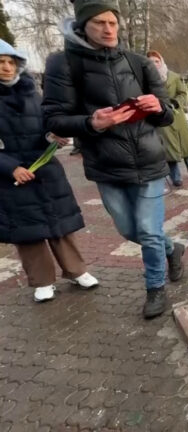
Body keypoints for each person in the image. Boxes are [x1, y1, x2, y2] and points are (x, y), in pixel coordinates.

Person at [42, 1, 184, 319]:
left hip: (148, 160)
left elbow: (167, 114)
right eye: (99, 22)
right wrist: (91, 122)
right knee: (130, 230)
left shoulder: (138, 62)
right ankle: (172, 248)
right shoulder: (63, 64)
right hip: (106, 163)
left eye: (112, 22)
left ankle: (155, 288)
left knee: (148, 231)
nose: (108, 29)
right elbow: (53, 118)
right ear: (82, 26)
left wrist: (159, 108)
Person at [1, 39, 98, 303]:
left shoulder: (33, 95)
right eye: (1, 62)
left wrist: (52, 136)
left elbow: (45, 126)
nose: (7, 67)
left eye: (11, 62)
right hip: (12, 179)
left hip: (45, 170)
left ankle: (76, 270)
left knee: (60, 223)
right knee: (28, 231)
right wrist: (11, 168)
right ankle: (42, 281)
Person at [147, 50, 188, 186]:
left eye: (156, 61)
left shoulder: (173, 76)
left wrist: (176, 102)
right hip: (161, 117)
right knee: (169, 148)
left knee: (186, 145)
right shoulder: (146, 79)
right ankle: (175, 176)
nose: (154, 64)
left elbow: (183, 93)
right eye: (151, 62)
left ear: (161, 61)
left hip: (177, 115)